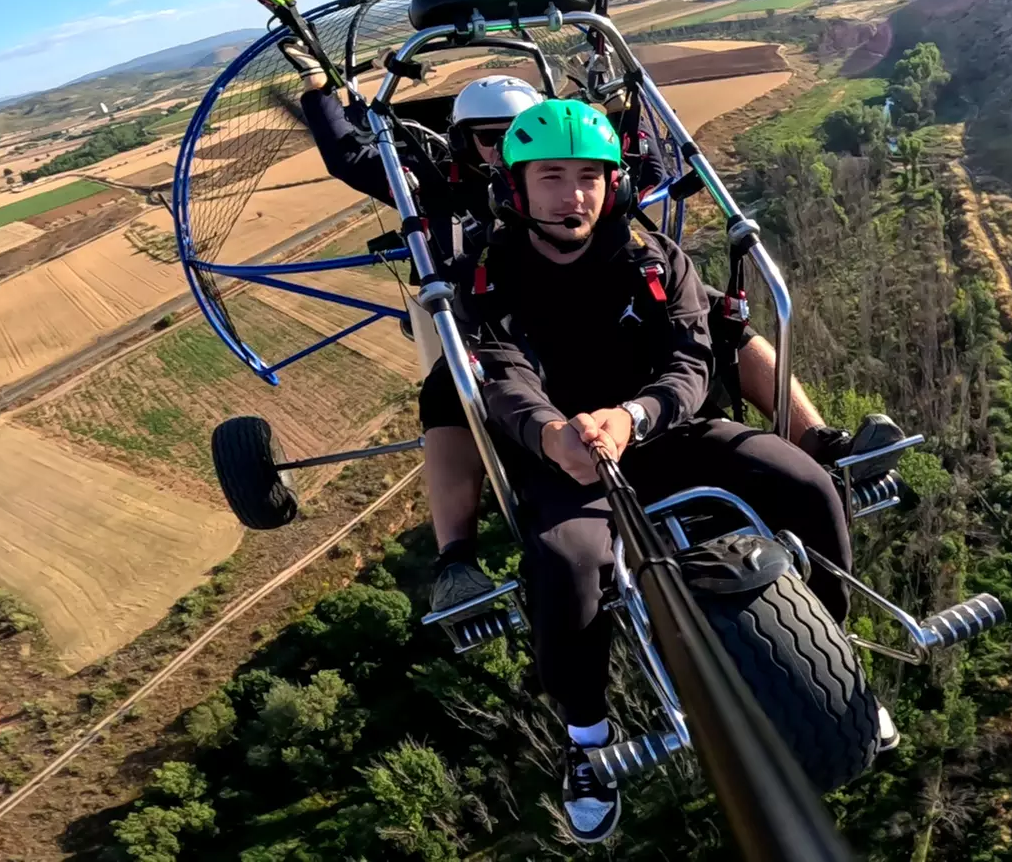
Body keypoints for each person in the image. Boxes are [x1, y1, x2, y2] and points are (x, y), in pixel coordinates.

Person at [283, 43, 888, 617]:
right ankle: (456, 559)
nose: (501, 151)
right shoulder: (439, 187)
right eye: (488, 140)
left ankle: (820, 441)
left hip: (608, 285)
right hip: (493, 311)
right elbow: (357, 158)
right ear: (466, 143)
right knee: (451, 383)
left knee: (719, 320)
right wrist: (319, 92)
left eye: (513, 134)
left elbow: (640, 164)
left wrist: (622, 102)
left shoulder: (580, 179)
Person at [463, 99, 856, 843]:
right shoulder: (489, 279)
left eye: (589, 177)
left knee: (804, 482)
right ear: (517, 188)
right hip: (569, 459)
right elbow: (502, 376)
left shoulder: (655, 261)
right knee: (566, 563)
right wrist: (551, 435)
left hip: (665, 432)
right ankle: (585, 739)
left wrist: (636, 415)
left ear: (612, 185)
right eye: (551, 177)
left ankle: (831, 652)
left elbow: (690, 359)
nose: (572, 195)